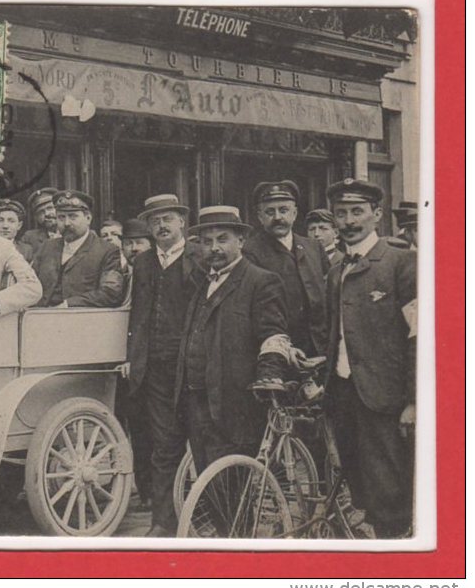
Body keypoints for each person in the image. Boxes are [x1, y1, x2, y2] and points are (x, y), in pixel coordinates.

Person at [324, 179, 416, 538]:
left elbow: (418, 336)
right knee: (361, 486)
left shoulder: (400, 263)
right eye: (341, 213)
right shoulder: (336, 271)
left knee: (391, 492)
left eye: (357, 212)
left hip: (386, 400)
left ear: (376, 215)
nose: (349, 221)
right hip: (345, 396)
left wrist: (413, 401)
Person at [176, 206, 289, 473]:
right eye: (207, 241)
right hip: (197, 399)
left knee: (234, 484)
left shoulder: (261, 281)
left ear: (241, 240)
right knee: (207, 477)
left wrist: (268, 376)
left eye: (222, 239)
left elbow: (274, 334)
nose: (214, 248)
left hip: (235, 402)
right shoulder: (201, 282)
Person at [125, 194, 199, 536]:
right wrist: (133, 357)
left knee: (203, 440)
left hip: (195, 365)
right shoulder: (142, 263)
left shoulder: (199, 257)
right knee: (163, 444)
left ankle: (205, 515)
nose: (162, 226)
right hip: (154, 367)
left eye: (168, 219)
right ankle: (163, 522)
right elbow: (137, 315)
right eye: (155, 221)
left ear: (182, 222)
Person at [243, 180, 328, 356]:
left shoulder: (313, 247)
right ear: (260, 216)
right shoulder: (250, 252)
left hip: (319, 347)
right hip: (279, 349)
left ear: (295, 213)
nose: (278, 218)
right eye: (270, 212)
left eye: (283, 210)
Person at [32, 190, 124, 308]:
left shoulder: (107, 251)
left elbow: (110, 294)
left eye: (73, 217)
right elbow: (30, 284)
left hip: (81, 319)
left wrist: (69, 304)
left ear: (88, 218)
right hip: (39, 318)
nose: (66, 223)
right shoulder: (47, 247)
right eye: (61, 217)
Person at [18, 187, 60, 256]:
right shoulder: (30, 238)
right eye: (41, 212)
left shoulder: (73, 232)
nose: (47, 214)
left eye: (50, 208)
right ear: (36, 218)